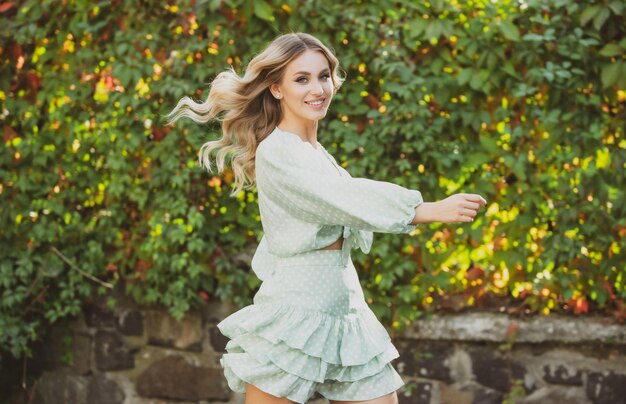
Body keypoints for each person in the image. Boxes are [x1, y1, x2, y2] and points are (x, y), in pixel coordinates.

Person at [165, 32, 486, 404]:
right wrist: (424, 210)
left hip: (346, 311)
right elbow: (341, 199)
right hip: (298, 313)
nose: (318, 88)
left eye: (323, 75)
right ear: (276, 89)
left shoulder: (315, 152)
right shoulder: (277, 152)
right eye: (301, 79)